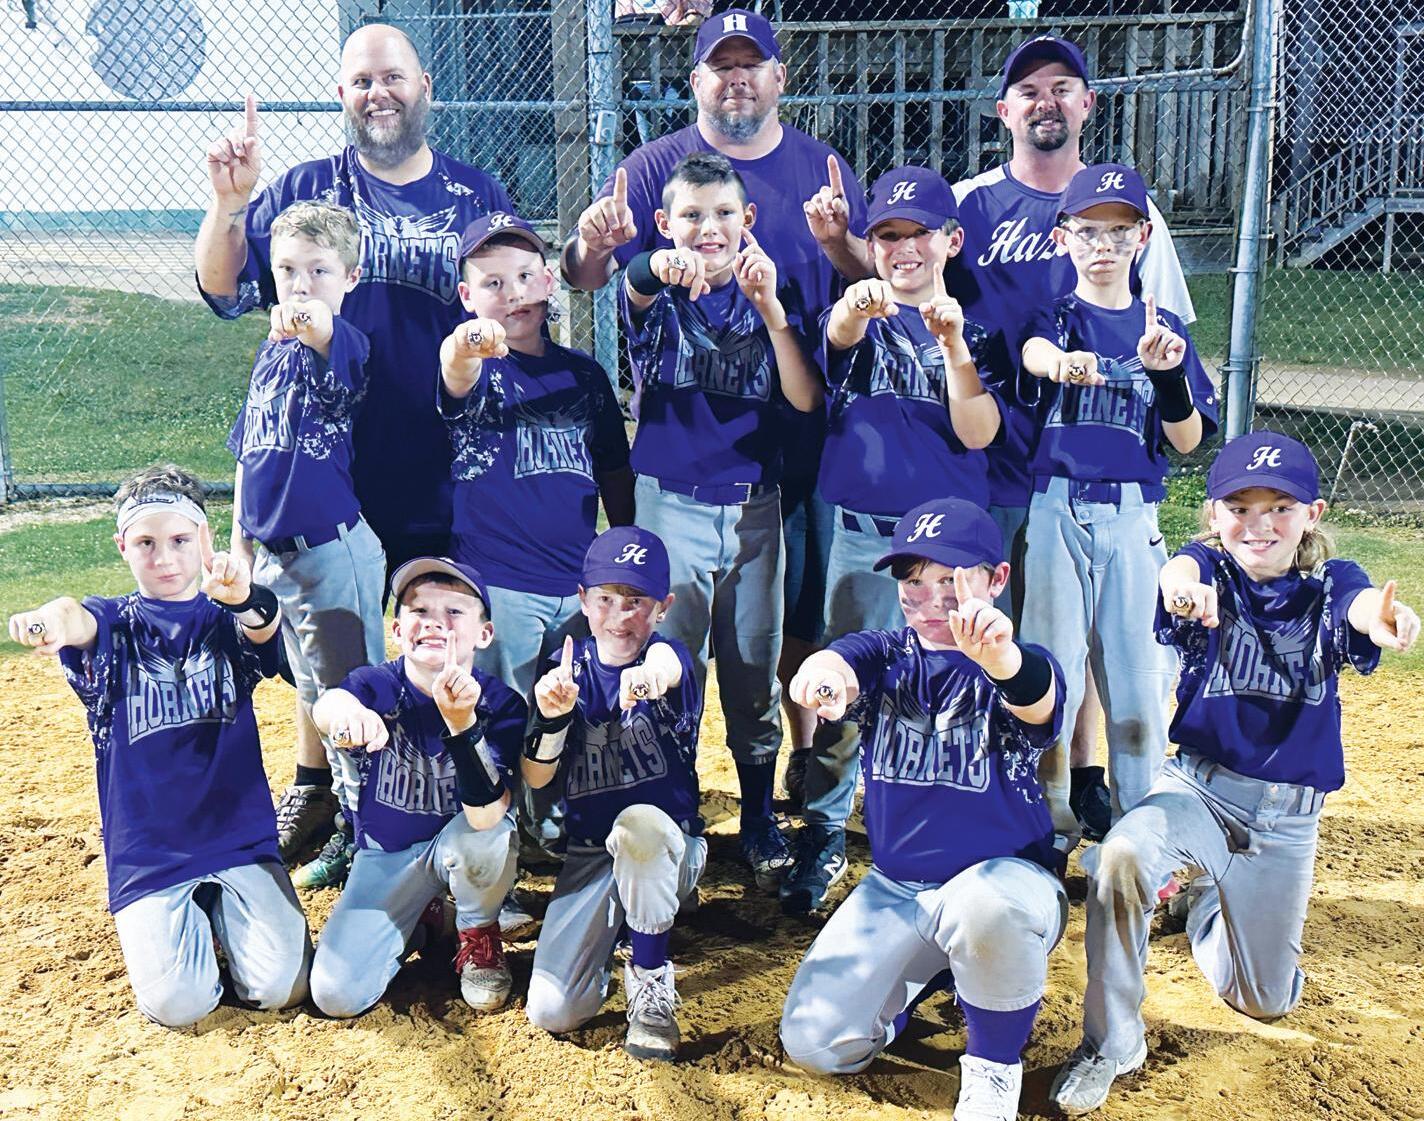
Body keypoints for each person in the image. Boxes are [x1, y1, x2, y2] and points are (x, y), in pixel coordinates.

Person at [195, 23, 515, 863]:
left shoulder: (474, 193)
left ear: (425, 86)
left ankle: (451, 797)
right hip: (326, 461)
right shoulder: (307, 189)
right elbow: (223, 291)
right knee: (328, 639)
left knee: (432, 630)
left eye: (393, 76)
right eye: (362, 81)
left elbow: (514, 302)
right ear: (342, 94)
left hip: (439, 457)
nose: (379, 93)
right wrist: (230, 204)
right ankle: (325, 789)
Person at [1049, 431, 1420, 1115]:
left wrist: (1384, 619)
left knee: (1264, 999)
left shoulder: (1330, 584)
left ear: (1312, 514)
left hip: (1285, 820)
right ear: (1215, 515)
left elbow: (1361, 605)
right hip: (1199, 788)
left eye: (1279, 507)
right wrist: (1182, 591)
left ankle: (1205, 905)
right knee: (1121, 856)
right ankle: (1112, 1041)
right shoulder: (1209, 572)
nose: (1258, 525)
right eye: (1239, 508)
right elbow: (1177, 573)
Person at [559, 8, 867, 802]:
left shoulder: (821, 167)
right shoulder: (655, 166)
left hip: (788, 454)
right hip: (682, 474)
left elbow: (863, 286)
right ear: (695, 80)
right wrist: (619, 251)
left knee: (776, 633)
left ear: (778, 77)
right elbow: (606, 279)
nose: (736, 79)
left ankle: (792, 782)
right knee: (677, 645)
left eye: (750, 64)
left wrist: (827, 256)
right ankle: (671, 794)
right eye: (720, 66)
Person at [950, 33, 1197, 837]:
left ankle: (1097, 787)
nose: (1046, 100)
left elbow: (1177, 378)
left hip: (1109, 477)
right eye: (1029, 89)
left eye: (1062, 86)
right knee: (1024, 640)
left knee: (1110, 651)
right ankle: (1011, 795)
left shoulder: (1141, 225)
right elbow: (919, 274)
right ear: (1003, 110)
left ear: (1088, 103)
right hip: (1000, 462)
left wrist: (1165, 376)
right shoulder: (971, 204)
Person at [779, 498, 1067, 1121]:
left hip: (1007, 885)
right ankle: (930, 980)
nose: (931, 599)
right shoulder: (887, 654)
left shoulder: (1019, 661)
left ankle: (993, 1068)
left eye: (951, 580)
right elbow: (841, 661)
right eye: (914, 582)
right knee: (815, 1044)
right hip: (898, 889)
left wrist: (1000, 660)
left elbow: (1035, 698)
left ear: (997, 579)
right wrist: (820, 676)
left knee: (985, 909)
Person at [7, 465, 310, 1028]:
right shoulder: (113, 624)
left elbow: (265, 624)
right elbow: (72, 615)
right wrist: (49, 620)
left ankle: (219, 909)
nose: (165, 558)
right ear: (122, 546)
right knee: (179, 1005)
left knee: (280, 988)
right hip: (150, 852)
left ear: (205, 539)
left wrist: (243, 598)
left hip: (238, 837)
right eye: (146, 543)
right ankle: (197, 919)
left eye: (179, 540)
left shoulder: (227, 617)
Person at [780, 166, 1006, 915]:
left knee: (954, 692)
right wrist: (854, 305)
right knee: (844, 685)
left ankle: (949, 832)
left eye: (919, 233)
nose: (904, 248)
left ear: (952, 241)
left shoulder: (981, 330)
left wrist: (954, 348)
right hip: (866, 538)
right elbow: (836, 337)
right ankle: (823, 828)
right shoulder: (859, 315)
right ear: (870, 245)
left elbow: (980, 432)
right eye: (887, 235)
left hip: (950, 556)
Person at [619, 151, 823, 891]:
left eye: (723, 214)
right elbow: (634, 284)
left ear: (748, 220)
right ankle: (677, 807)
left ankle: (759, 815)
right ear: (666, 221)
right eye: (692, 215)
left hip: (754, 506)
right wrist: (654, 263)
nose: (709, 227)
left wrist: (770, 309)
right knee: (670, 660)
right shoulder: (662, 289)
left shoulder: (772, 288)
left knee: (752, 663)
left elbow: (803, 398)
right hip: (670, 500)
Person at [1017, 163, 1217, 846]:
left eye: (1119, 231)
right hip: (1056, 510)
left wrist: (1168, 374)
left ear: (1142, 238)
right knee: (1052, 669)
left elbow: (1186, 440)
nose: (1103, 245)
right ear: (1062, 237)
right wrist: (1058, 363)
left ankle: (1140, 834)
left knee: (1138, 680)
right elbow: (1034, 352)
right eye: (1088, 231)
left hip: (1134, 516)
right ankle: (1049, 825)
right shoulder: (1055, 315)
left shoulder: (1162, 327)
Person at [439, 210, 634, 895]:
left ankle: (548, 820)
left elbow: (614, 470)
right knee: (505, 714)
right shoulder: (476, 374)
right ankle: (500, 855)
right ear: (467, 296)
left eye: (525, 276)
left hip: (574, 580)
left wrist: (622, 553)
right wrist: (467, 344)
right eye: (492, 282)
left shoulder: (584, 375)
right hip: (502, 581)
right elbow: (454, 368)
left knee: (565, 711)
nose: (513, 293)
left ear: (550, 281)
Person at [226, 200, 388, 888]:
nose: (300, 285)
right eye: (288, 269)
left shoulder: (343, 343)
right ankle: (353, 824)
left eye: (319, 270)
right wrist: (240, 549)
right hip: (277, 560)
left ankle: (373, 837)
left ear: (350, 276)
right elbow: (248, 457)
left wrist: (310, 319)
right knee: (320, 698)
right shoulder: (269, 355)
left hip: (329, 555)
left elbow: (322, 331)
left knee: (353, 703)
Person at [307, 558, 528, 1017]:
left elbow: (488, 816)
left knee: (485, 836)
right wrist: (346, 715)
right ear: (397, 629)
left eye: (454, 612)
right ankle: (429, 920)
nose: (433, 622)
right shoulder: (376, 685)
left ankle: (478, 931)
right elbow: (330, 703)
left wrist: (461, 723)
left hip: (462, 847)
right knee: (336, 994)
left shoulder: (501, 703)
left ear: (484, 634)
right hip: (385, 857)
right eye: (419, 611)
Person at [523, 527, 704, 1062]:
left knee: (640, 829)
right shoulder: (565, 667)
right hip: (590, 854)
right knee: (553, 1010)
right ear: (583, 600)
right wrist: (553, 717)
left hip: (668, 846)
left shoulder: (669, 655)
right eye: (605, 599)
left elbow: (668, 668)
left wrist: (647, 679)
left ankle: (649, 976)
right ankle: (619, 927)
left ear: (663, 607)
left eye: (636, 602)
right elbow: (536, 778)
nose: (620, 616)